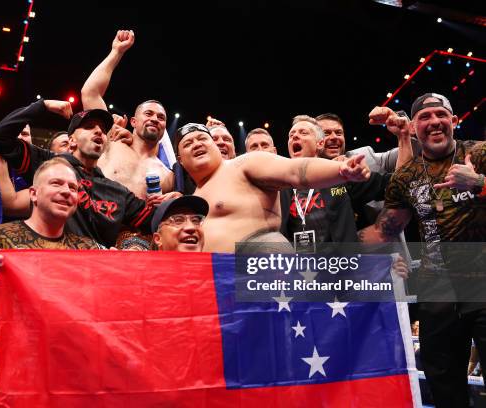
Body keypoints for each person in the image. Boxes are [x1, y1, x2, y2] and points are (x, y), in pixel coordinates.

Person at [0, 158, 100, 407]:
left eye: (73, 188)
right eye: (56, 183)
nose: (66, 191)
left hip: (67, 389)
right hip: (3, 386)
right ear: (33, 194)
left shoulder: (86, 250)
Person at [373, 93, 486, 407]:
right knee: (444, 384)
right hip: (438, 292)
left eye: (441, 114)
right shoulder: (405, 177)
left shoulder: (479, 153)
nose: (434, 121)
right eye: (425, 116)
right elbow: (385, 230)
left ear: (454, 120)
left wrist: (479, 181)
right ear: (413, 126)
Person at [0, 99, 167, 248]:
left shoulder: (118, 192)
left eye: (104, 131)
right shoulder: (49, 163)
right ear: (71, 140)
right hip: (50, 265)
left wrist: (175, 199)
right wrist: (42, 106)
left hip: (95, 275)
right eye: (89, 127)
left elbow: (158, 222)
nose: (98, 131)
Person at [174, 123, 371, 253]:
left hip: (261, 269)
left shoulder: (245, 163)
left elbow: (295, 171)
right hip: (220, 285)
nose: (197, 144)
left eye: (203, 139)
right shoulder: (194, 199)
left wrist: (340, 170)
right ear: (180, 160)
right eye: (188, 143)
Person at [80, 30, 173, 198]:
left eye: (161, 117)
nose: (154, 119)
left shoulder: (167, 175)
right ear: (133, 121)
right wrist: (116, 52)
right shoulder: (110, 141)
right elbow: (90, 93)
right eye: (148, 114)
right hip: (92, 222)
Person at [281, 115, 393, 245]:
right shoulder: (279, 184)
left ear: (320, 143)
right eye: (291, 135)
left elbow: (393, 183)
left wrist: (404, 137)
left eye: (303, 133)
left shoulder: (341, 174)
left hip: (341, 262)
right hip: (299, 263)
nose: (295, 136)